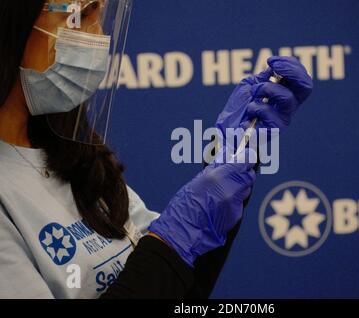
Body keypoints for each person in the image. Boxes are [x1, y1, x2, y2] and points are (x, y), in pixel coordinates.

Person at [0, 0, 313, 299]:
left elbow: (177, 288)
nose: (96, 35)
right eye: (80, 13)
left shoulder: (71, 152)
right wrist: (177, 234)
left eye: (100, 11)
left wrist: (229, 168)